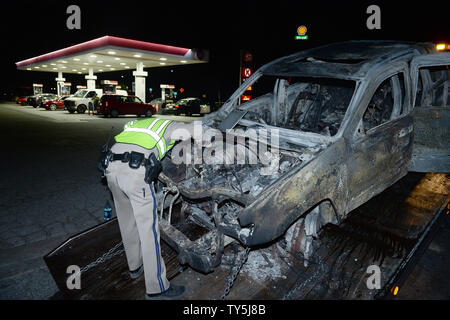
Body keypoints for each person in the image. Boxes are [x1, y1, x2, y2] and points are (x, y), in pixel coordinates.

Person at [101, 117, 201, 300]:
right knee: (149, 231)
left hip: (111, 169)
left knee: (127, 221)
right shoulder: (172, 127)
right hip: (135, 173)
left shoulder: (139, 124)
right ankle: (157, 288)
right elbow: (195, 131)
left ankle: (135, 267)